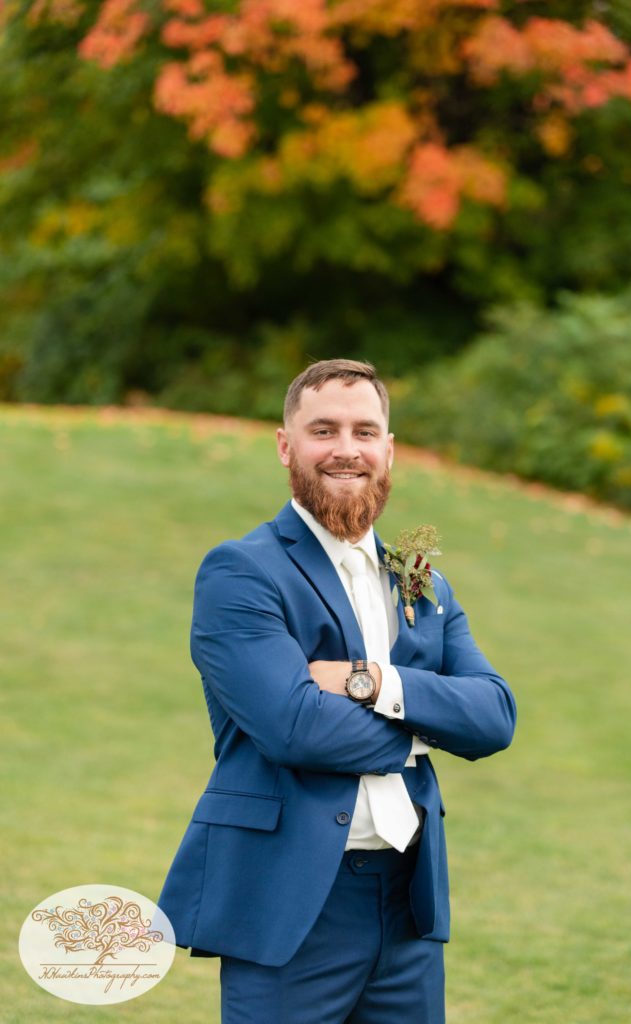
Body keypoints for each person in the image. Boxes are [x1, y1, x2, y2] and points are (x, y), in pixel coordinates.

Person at [157, 359, 516, 1024]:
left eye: (364, 430)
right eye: (324, 430)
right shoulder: (242, 571)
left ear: (388, 450)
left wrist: (374, 682)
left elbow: (495, 716)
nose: (346, 449)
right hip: (289, 903)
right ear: (286, 446)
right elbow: (296, 726)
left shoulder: (422, 583)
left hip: (408, 904)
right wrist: (429, 721)